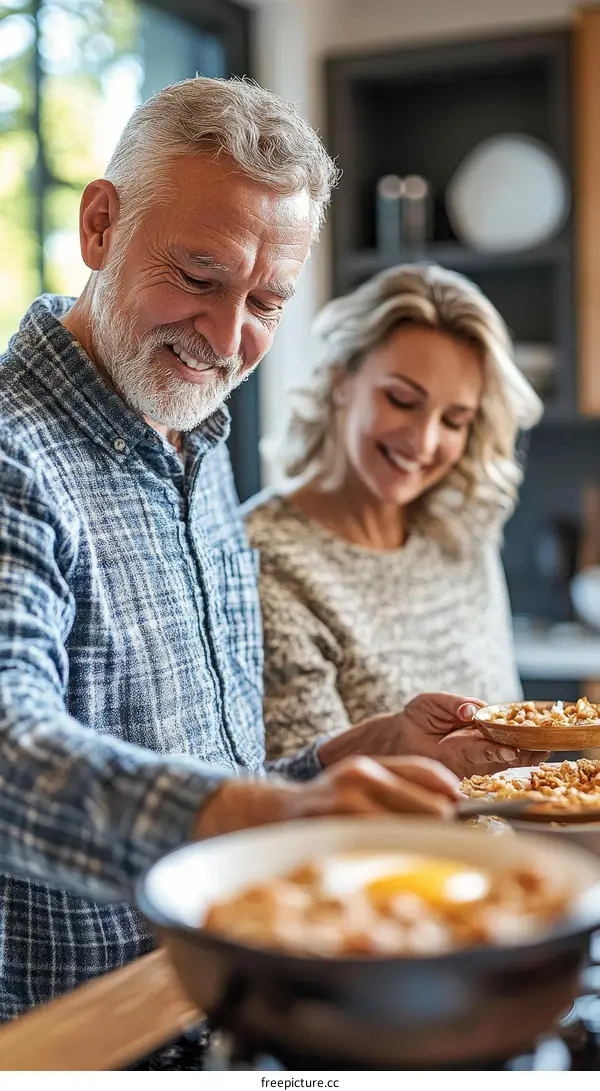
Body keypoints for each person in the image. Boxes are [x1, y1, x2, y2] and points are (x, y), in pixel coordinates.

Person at [0, 77, 530, 1026]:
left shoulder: (194, 444)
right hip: (91, 1044)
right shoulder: (16, 457)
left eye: (266, 300)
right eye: (199, 278)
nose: (225, 337)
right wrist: (274, 818)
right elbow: (12, 750)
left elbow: (218, 787)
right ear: (98, 226)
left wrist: (345, 756)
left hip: (232, 1014)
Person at [245, 263, 544, 762]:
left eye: (454, 420)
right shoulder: (267, 557)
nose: (424, 441)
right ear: (342, 380)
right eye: (402, 400)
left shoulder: (462, 531)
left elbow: (507, 717)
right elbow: (303, 790)